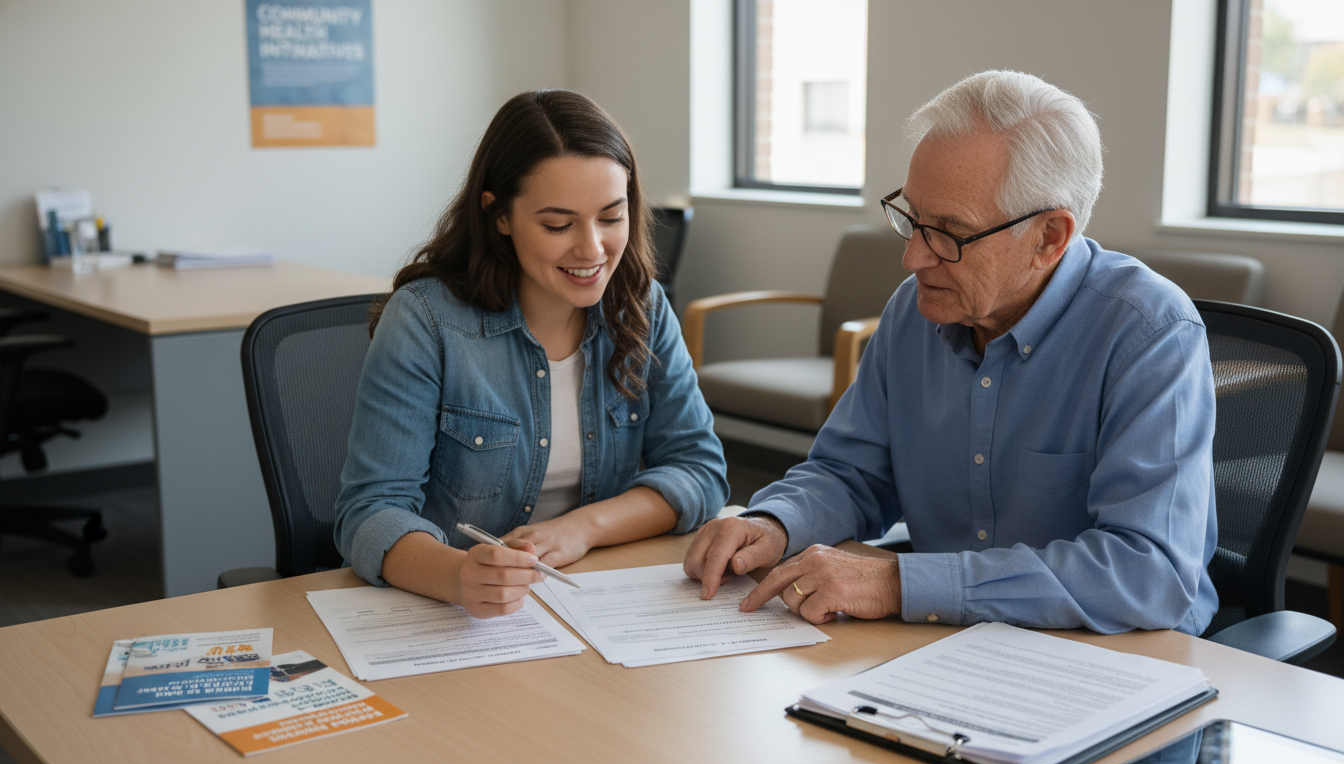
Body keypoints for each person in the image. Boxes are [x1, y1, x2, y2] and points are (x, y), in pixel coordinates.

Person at [684, 70, 1218, 636]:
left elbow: (1149, 573)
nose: (913, 258)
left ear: (1049, 238)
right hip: (946, 641)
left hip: (1113, 654)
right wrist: (774, 521)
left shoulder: (1150, 333)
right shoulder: (914, 311)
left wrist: (900, 583)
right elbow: (852, 472)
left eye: (949, 233)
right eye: (911, 218)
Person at [336, 89, 728, 619]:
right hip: (450, 614)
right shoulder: (427, 321)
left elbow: (699, 470)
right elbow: (370, 512)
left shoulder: (641, 306)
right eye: (558, 225)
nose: (591, 249)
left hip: (588, 601)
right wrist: (457, 575)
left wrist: (582, 528)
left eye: (611, 217)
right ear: (499, 216)